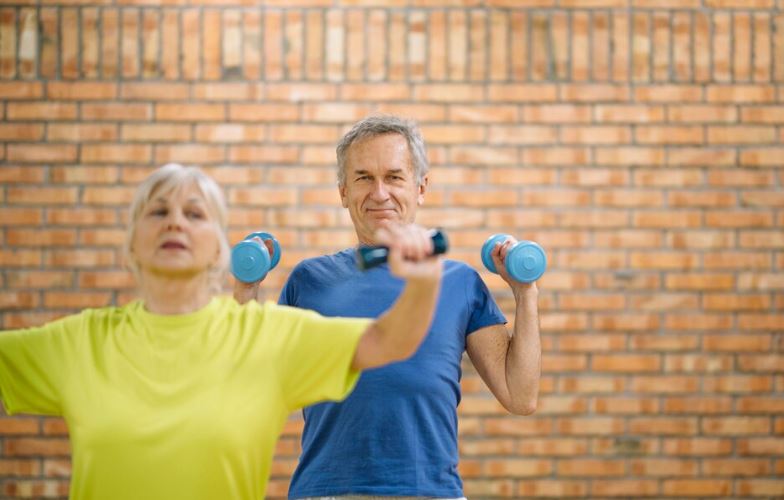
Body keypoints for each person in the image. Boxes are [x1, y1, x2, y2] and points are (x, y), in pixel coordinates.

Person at [0, 163, 444, 500]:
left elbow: (389, 341)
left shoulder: (266, 336)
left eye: (194, 213)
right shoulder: (81, 343)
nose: (175, 221)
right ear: (132, 242)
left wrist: (423, 282)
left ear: (219, 246)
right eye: (158, 211)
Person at [235, 115, 542, 500]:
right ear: (344, 191)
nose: (379, 193)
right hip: (326, 492)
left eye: (394, 177)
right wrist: (246, 289)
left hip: (431, 492)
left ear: (420, 187)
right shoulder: (309, 280)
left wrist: (525, 293)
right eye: (364, 178)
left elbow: (520, 395)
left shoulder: (461, 283)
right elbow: (253, 384)